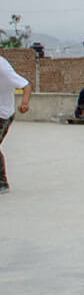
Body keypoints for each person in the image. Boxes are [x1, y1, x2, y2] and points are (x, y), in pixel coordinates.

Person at [0, 55, 32, 194]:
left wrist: (24, 103)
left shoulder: (3, 68)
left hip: (3, 115)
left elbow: (26, 85)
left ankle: (2, 182)